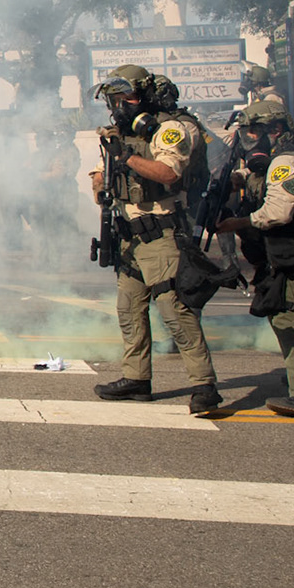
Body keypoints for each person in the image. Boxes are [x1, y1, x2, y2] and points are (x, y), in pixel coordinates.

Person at [89, 66, 223, 416]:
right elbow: (108, 181)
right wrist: (103, 179)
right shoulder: (120, 134)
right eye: (113, 99)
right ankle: (137, 379)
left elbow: (168, 172)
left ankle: (204, 386)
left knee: (174, 312)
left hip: (161, 233)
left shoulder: (170, 129)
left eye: (124, 98)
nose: (118, 106)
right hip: (130, 236)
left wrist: (127, 159)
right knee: (129, 310)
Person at [216, 101, 294, 418]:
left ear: (277, 131)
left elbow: (278, 212)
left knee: (288, 316)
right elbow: (259, 172)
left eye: (254, 132)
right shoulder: (275, 160)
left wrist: (238, 224)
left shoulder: (287, 163)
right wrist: (238, 178)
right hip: (282, 252)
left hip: (293, 251)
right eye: (246, 132)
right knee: (287, 313)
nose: (249, 139)